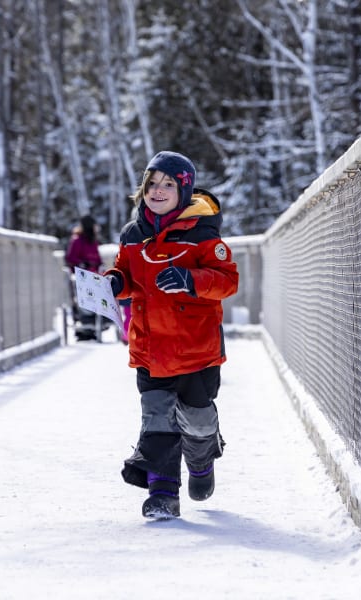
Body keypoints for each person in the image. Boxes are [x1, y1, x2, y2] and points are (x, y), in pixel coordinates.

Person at [105, 151, 239, 519]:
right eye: (151, 184)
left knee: (197, 420)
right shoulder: (133, 235)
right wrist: (115, 282)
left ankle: (202, 460)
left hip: (195, 349)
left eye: (167, 184)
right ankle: (163, 494)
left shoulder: (203, 234)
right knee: (157, 419)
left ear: (184, 190)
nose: (157, 190)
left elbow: (227, 281)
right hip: (150, 348)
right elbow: (126, 275)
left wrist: (190, 280)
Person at [65, 215, 103, 341]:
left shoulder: (93, 241)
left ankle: (99, 320)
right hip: (82, 277)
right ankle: (86, 323)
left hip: (95, 276)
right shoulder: (77, 240)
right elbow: (71, 258)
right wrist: (82, 264)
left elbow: (98, 259)